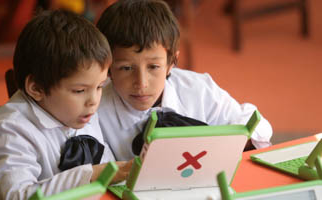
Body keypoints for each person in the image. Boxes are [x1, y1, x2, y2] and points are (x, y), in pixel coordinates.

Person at [0, 10, 131, 200]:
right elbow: (17, 196)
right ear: (36, 88)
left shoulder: (80, 112)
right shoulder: (9, 130)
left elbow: (107, 168)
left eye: (99, 86)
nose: (94, 100)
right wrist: (91, 175)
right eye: (79, 90)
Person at [96, 0, 273, 161]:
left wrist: (222, 146)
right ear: (108, 68)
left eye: (153, 67)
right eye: (126, 68)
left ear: (171, 62)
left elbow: (257, 125)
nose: (141, 83)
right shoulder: (93, 110)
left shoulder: (197, 89)